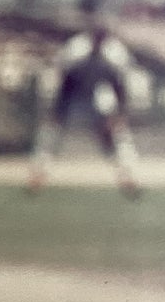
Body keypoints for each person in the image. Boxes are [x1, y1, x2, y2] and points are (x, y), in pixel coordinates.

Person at [27, 20, 142, 197]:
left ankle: (128, 178)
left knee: (118, 137)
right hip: (72, 95)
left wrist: (118, 115)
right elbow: (65, 82)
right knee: (50, 133)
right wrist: (57, 111)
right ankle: (38, 175)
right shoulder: (75, 49)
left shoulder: (116, 52)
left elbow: (120, 86)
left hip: (100, 95)